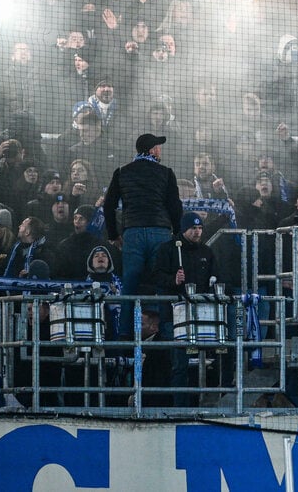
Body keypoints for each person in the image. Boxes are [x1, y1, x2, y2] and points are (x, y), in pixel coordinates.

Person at [102, 134, 183, 304]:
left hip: (133, 232)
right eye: (158, 147)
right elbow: (175, 206)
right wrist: (177, 232)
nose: (160, 150)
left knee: (129, 286)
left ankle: (125, 330)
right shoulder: (166, 173)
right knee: (162, 283)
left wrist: (113, 235)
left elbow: (108, 205)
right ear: (152, 150)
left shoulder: (122, 172)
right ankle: (163, 328)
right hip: (160, 232)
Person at [149, 212, 220, 407]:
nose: (197, 232)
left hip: (201, 316)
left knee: (211, 357)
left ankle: (204, 402)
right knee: (179, 362)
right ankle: (180, 406)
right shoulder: (168, 250)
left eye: (199, 228)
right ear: (183, 229)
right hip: (174, 316)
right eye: (193, 229)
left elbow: (216, 275)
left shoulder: (207, 252)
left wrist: (214, 282)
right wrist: (173, 280)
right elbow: (156, 275)